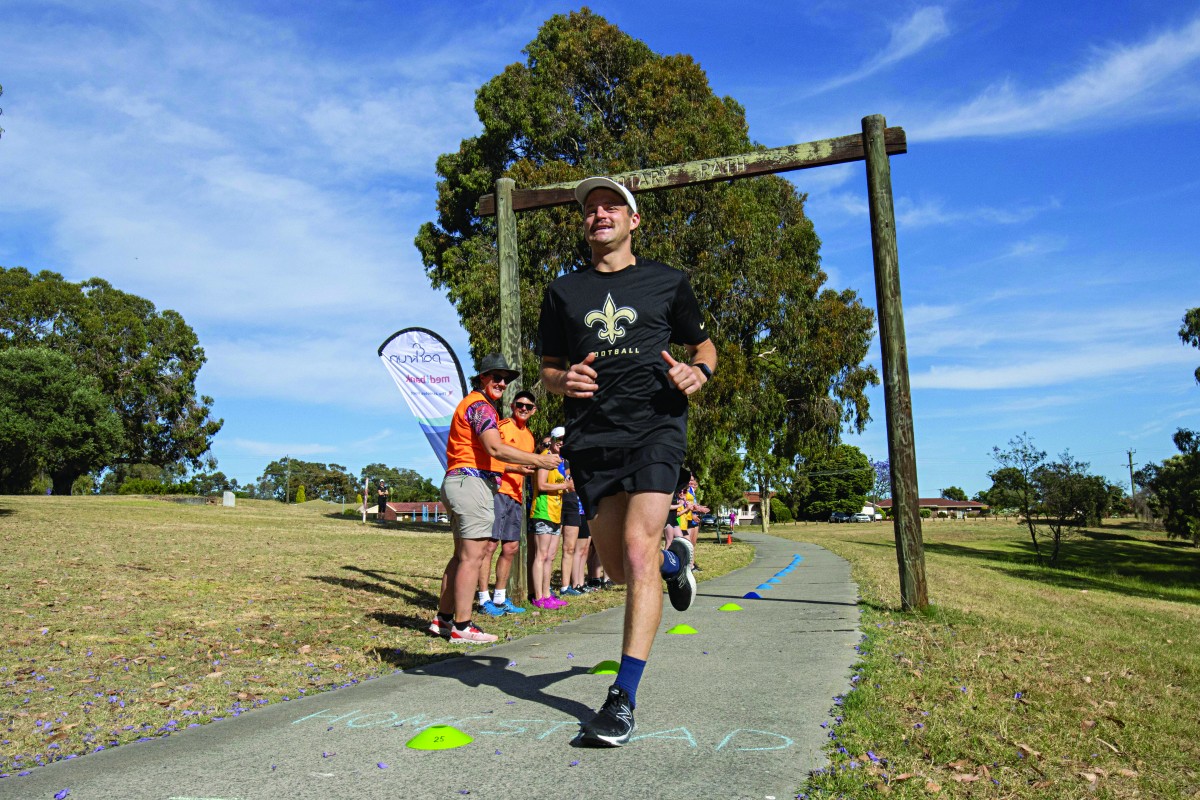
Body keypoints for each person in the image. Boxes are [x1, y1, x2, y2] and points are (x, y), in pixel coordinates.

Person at [538, 175, 717, 746]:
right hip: (592, 440)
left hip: (656, 428)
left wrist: (700, 372)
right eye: (591, 208)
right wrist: (561, 379)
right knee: (618, 569)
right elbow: (546, 370)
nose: (600, 213)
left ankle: (623, 698)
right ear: (584, 224)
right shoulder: (562, 292)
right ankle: (675, 564)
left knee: (638, 551)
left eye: (612, 205)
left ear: (634, 220)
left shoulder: (669, 282)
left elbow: (705, 347)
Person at [431, 355, 560, 644]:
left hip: (459, 481)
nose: (502, 382)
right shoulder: (481, 407)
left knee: (461, 556)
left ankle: (444, 619)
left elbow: (488, 455)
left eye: (506, 379)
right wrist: (539, 461)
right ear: (482, 378)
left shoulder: (473, 405)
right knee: (472, 558)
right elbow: (495, 448)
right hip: (471, 484)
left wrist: (518, 467)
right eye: (495, 376)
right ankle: (462, 626)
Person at [476, 390, 538, 617]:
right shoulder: (501, 427)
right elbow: (491, 456)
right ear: (512, 405)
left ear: (533, 411)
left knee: (510, 547)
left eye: (528, 406)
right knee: (489, 546)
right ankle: (483, 599)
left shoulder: (530, 437)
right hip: (498, 491)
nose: (524, 409)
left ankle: (500, 598)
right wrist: (516, 469)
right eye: (520, 404)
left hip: (516, 496)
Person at [529, 427, 567, 609]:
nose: (561, 442)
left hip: (556, 512)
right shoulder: (545, 456)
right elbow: (542, 484)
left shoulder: (559, 461)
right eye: (558, 438)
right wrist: (565, 485)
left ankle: (547, 593)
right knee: (541, 555)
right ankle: (538, 597)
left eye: (564, 439)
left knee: (550, 556)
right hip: (543, 511)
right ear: (551, 439)